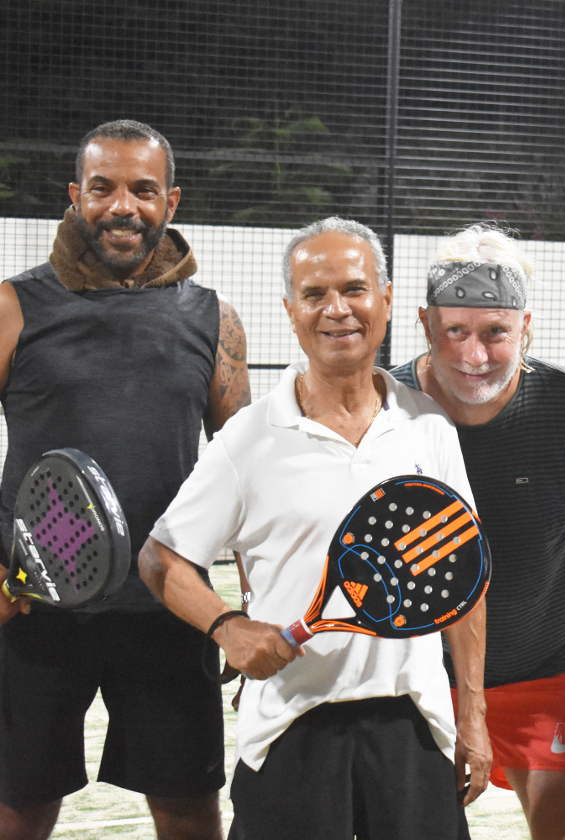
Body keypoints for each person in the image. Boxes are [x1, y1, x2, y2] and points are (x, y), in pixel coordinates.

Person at [138, 217, 489, 839]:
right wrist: (229, 627)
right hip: (290, 729)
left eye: (354, 290)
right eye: (314, 294)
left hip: (413, 726)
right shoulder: (247, 438)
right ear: (290, 310)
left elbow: (459, 579)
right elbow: (161, 559)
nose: (337, 310)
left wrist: (474, 713)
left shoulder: (429, 426)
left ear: (385, 300)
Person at [0, 119, 249, 840]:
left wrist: (250, 606)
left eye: (143, 190)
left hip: (171, 607)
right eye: (103, 188)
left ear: (171, 201)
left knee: (188, 809)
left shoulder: (214, 319)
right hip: (34, 607)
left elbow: (243, 473)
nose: (123, 206)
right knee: (18, 809)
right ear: (76, 196)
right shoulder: (15, 308)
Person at [390, 223, 565, 840]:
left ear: (525, 327)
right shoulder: (379, 403)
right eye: (456, 331)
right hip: (417, 674)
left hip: (546, 670)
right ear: (426, 324)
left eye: (495, 333)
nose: (474, 355)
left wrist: (556, 614)